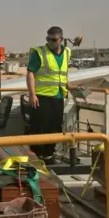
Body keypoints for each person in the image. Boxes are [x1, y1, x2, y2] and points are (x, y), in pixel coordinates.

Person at [26, 26, 71, 163]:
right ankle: (36, 157)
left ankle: (48, 155)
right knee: (39, 127)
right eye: (48, 39)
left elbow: (62, 73)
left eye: (53, 40)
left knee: (55, 127)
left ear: (61, 40)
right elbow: (30, 73)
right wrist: (32, 94)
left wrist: (68, 86)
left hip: (58, 96)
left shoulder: (67, 52)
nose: (50, 42)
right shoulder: (39, 52)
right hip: (42, 97)